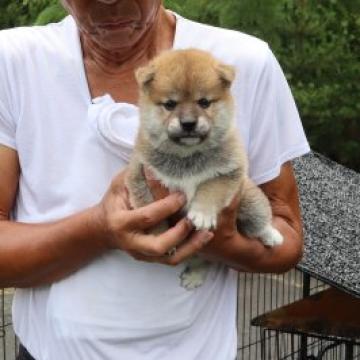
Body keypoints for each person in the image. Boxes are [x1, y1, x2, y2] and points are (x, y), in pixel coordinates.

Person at [0, 1, 310, 359]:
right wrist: (98, 230)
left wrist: (223, 242)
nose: (109, 2)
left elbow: (286, 238)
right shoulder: (13, 61)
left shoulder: (245, 61)